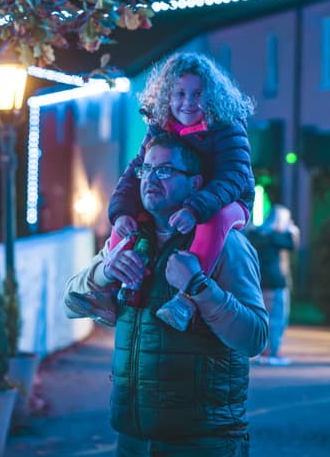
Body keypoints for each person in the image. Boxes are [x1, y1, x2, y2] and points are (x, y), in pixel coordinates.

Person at [64, 132, 269, 457]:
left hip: (206, 445)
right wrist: (104, 269)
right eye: (145, 169)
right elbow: (71, 300)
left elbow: (255, 336)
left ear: (196, 183)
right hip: (135, 446)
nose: (150, 178)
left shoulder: (226, 246)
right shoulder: (128, 239)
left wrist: (199, 287)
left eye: (165, 170)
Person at [106, 51, 256, 330]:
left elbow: (234, 176)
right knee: (126, 223)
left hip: (230, 200)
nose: (188, 102)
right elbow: (136, 169)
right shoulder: (161, 126)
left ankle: (185, 299)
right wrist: (120, 212)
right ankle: (115, 285)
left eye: (197, 94)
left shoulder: (227, 127)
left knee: (214, 221)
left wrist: (194, 208)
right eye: (180, 94)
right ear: (167, 96)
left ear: (212, 97)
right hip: (190, 199)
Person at [249, 204, 299, 365]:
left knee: (260, 318)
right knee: (277, 319)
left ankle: (260, 351)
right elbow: (293, 244)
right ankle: (272, 352)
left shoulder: (257, 234)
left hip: (259, 283)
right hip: (276, 283)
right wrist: (292, 230)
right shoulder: (276, 237)